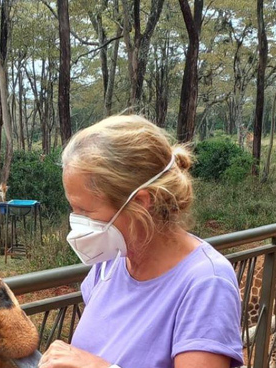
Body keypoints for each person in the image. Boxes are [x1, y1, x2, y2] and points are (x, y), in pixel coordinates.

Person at [38, 116, 244, 368]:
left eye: (84, 210)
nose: (76, 223)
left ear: (140, 203)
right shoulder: (110, 263)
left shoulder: (207, 283)